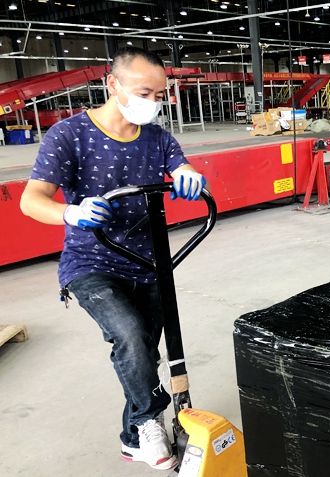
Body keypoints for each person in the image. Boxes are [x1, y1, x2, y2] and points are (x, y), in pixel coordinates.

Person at [20, 47, 206, 470]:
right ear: (113, 84)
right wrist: (71, 212)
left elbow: (181, 166)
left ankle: (132, 437)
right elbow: (31, 200)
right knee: (130, 335)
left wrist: (187, 174)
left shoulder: (157, 138)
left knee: (143, 352)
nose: (153, 103)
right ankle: (147, 419)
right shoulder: (68, 135)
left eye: (159, 95)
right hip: (92, 263)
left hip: (149, 262)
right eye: (144, 92)